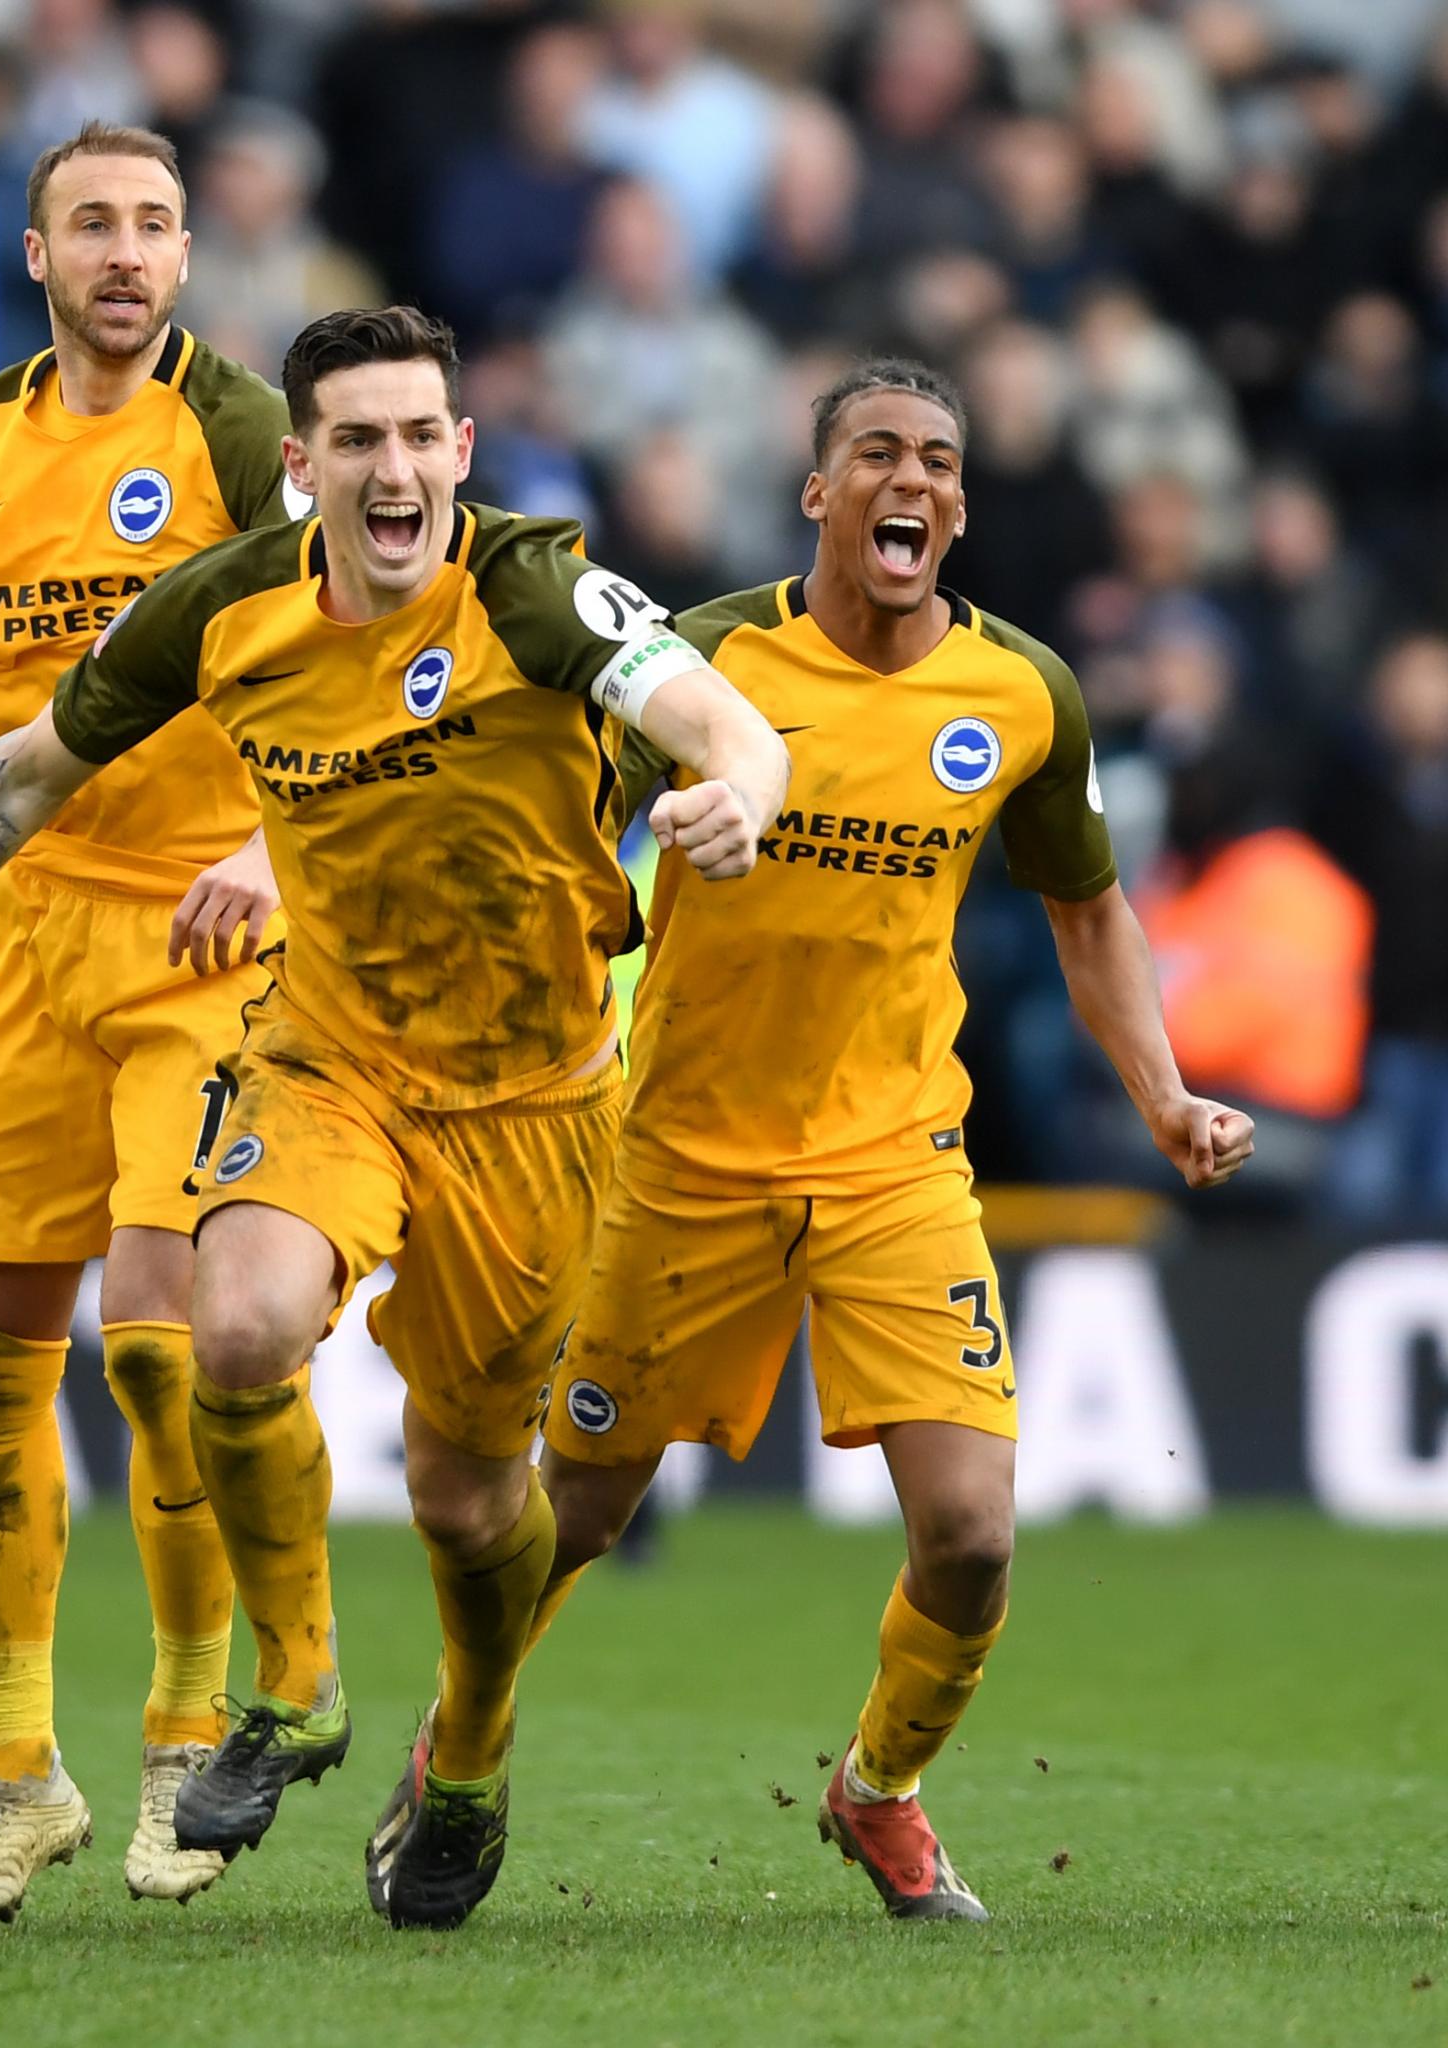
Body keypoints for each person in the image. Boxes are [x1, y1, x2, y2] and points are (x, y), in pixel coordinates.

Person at [0, 306, 788, 1932]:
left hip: (535, 1102)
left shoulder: (532, 585)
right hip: (327, 1060)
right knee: (228, 1333)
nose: (394, 467)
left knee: (467, 1499)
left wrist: (736, 798)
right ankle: (294, 1689)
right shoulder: (221, 610)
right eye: (356, 440)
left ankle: (473, 1752)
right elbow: (17, 777)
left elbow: (719, 720)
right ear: (300, 468)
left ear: (459, 452)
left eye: (420, 436)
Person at [533, 360, 1254, 1922]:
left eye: (938, 459)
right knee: (572, 1516)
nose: (909, 480)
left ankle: (879, 1791)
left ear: (960, 507)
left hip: (894, 1162)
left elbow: (1090, 911)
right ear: (819, 494)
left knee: (974, 1539)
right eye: (877, 454)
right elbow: (553, 833)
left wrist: (1165, 1095)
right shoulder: (705, 660)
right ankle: (455, 1754)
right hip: (683, 1159)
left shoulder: (1021, 695)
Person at [0, 118, 297, 1931]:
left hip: (208, 929)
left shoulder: (245, 429)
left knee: (156, 1347)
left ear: (186, 258)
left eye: (154, 225)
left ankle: (188, 1736)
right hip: (30, 939)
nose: (126, 252)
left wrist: (278, 839)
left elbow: (360, 632)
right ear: (34, 256)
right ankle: (15, 1774)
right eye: (92, 225)